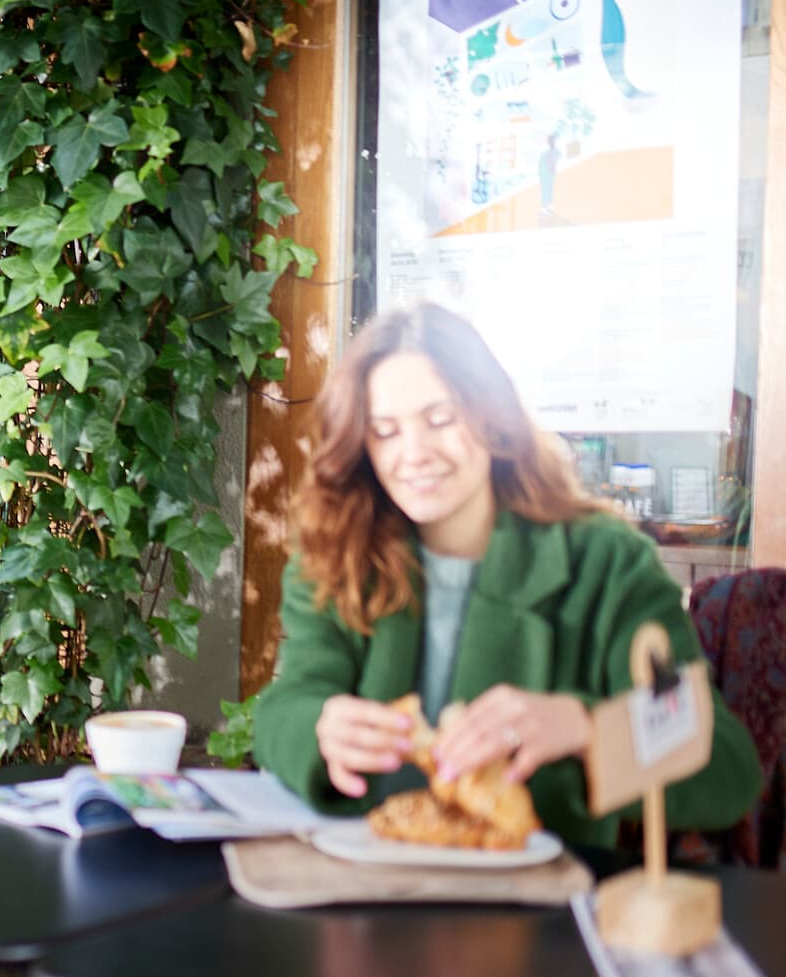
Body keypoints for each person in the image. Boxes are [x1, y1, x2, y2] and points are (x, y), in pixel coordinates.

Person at [254, 302, 760, 841]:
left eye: (440, 419)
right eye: (384, 431)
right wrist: (321, 729)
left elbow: (728, 772)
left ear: (492, 418)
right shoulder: (338, 552)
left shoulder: (609, 563)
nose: (414, 453)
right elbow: (286, 708)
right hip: (365, 886)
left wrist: (585, 727)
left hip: (537, 908)